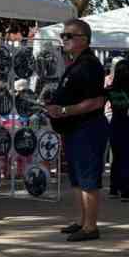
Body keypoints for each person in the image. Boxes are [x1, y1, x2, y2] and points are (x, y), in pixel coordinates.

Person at [48, 18, 109, 242]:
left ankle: (91, 227)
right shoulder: (75, 63)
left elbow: (96, 102)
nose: (63, 39)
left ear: (84, 39)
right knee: (76, 178)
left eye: (69, 36)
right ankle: (82, 221)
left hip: (88, 128)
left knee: (88, 178)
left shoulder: (90, 65)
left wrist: (63, 110)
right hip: (75, 129)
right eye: (62, 36)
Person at [106, 57, 129, 202]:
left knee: (116, 158)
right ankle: (125, 190)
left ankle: (113, 189)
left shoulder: (110, 89)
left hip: (115, 125)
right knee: (127, 159)